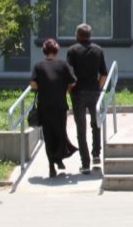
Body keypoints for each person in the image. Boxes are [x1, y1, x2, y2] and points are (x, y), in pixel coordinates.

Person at [30, 38, 77, 178]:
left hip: (44, 106)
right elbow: (73, 82)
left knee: (48, 135)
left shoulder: (38, 66)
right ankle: (59, 157)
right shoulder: (63, 65)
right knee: (60, 132)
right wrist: (63, 88)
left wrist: (44, 87)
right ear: (56, 50)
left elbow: (33, 84)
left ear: (44, 50)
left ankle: (51, 165)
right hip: (60, 105)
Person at [67, 23, 108, 174]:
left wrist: (69, 90)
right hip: (94, 92)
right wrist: (98, 88)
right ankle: (96, 154)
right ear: (90, 35)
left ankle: (85, 164)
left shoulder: (72, 51)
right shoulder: (98, 50)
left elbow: (70, 75)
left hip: (78, 93)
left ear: (78, 35)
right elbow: (104, 74)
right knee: (96, 124)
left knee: (81, 128)